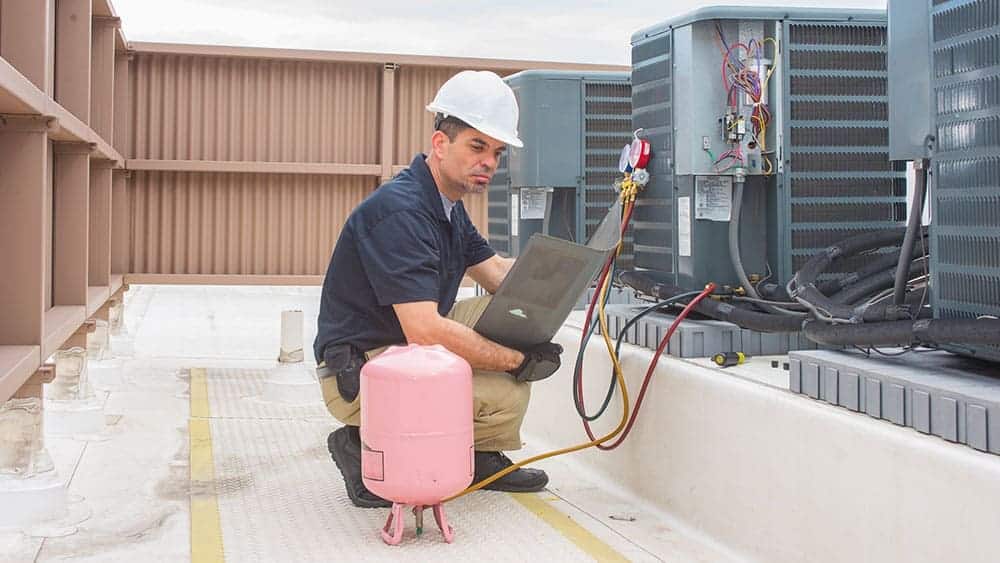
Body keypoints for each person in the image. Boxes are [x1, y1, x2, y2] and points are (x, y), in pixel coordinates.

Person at [314, 70, 564, 508]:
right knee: (505, 391)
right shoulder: (401, 211)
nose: (488, 161)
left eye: (497, 152)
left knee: (512, 318)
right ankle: (360, 441)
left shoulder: (446, 206)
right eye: (477, 146)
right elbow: (425, 330)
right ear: (440, 143)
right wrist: (517, 361)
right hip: (360, 371)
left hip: (399, 347)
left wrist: (564, 282)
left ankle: (477, 456)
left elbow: (497, 278)